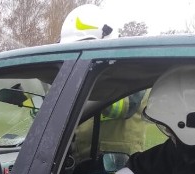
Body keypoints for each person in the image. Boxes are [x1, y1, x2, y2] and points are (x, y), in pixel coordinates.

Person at [60, 4, 149, 160]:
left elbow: (124, 107)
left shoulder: (131, 70)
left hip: (117, 165)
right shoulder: (83, 74)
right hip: (82, 160)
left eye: (86, 46)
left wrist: (72, 94)